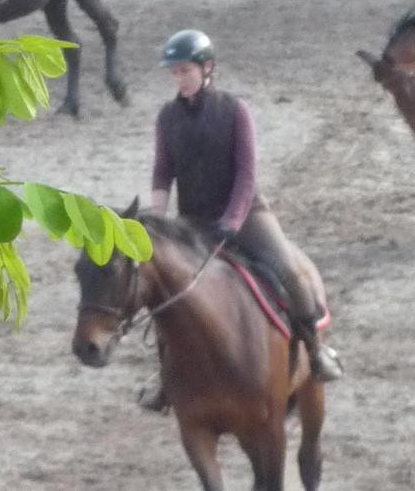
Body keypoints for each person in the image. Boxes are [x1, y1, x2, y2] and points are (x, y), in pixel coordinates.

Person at [146, 27, 342, 394]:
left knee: (290, 272)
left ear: (207, 68)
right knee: (164, 291)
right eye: (175, 73)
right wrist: (157, 217)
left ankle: (316, 350)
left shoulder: (234, 110)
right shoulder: (167, 117)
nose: (180, 79)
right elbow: (162, 171)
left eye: (185, 71)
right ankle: (165, 376)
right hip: (193, 220)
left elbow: (247, 173)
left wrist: (232, 221)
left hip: (247, 214)